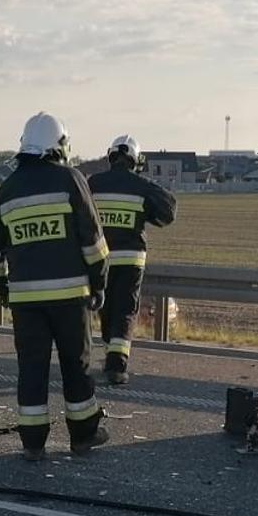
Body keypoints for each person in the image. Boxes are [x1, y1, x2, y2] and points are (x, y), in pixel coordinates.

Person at [0, 112, 110, 461]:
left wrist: (4, 290)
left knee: (32, 369)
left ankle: (32, 444)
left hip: (25, 301)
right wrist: (99, 283)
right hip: (70, 297)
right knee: (76, 365)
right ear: (60, 145)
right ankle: (83, 436)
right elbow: (94, 242)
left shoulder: (7, 189)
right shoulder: (71, 179)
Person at [86, 135, 177, 385]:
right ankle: (117, 365)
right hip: (131, 260)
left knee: (105, 307)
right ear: (136, 160)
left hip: (99, 258)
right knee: (125, 309)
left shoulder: (93, 183)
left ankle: (109, 355)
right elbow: (168, 212)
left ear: (111, 156)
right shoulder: (142, 185)